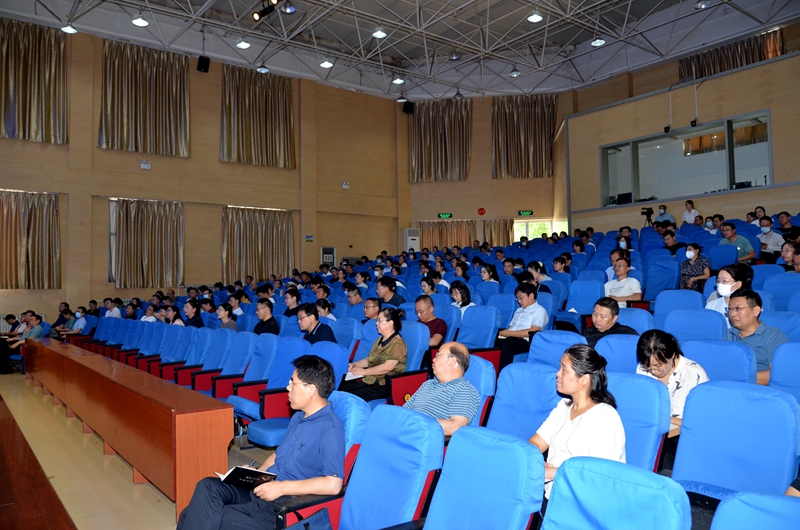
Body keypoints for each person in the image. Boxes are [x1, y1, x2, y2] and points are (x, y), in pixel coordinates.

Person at [177, 355, 344, 530]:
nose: (287, 387)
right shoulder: (299, 417)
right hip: (263, 489)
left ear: (311, 389)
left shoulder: (331, 429)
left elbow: (333, 484)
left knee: (203, 515)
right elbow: (278, 454)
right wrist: (257, 473)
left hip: (282, 503)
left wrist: (282, 488)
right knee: (205, 488)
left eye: (293, 383)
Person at [528, 344, 625, 507]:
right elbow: (535, 444)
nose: (557, 373)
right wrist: (535, 462)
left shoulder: (606, 417)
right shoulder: (563, 407)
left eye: (564, 370)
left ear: (584, 379)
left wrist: (549, 472)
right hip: (552, 493)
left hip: (583, 503)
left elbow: (596, 475)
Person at [403, 342, 480, 436]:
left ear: (452, 361)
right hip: (403, 432)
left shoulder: (465, 390)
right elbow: (404, 412)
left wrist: (414, 424)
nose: (433, 359)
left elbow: (456, 427)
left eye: (438, 355)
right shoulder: (427, 384)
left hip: (422, 437)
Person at [636, 330, 708, 424]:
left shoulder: (695, 375)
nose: (653, 371)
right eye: (647, 366)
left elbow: (700, 421)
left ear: (672, 355)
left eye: (658, 366)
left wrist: (663, 419)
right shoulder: (642, 368)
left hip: (680, 430)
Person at [339, 307, 407, 401]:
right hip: (371, 380)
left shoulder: (398, 343)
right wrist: (354, 364)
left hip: (384, 384)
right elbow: (369, 359)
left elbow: (387, 367)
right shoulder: (379, 340)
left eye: (379, 320)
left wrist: (363, 371)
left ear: (390, 323)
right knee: (340, 388)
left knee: (348, 397)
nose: (376, 323)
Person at [724, 289, 788, 385]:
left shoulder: (774, 337)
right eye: (730, 309)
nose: (732, 314)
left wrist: (738, 378)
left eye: (738, 308)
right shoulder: (729, 334)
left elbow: (777, 375)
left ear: (756, 311)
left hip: (757, 389)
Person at [495, 283, 549, 370]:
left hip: (525, 341)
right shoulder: (519, 310)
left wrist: (508, 333)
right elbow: (511, 327)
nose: (519, 301)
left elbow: (532, 331)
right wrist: (502, 333)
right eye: (517, 298)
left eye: (521, 298)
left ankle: (503, 372)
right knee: (492, 340)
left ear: (531, 296)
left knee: (507, 344)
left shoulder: (540, 311)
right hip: (510, 337)